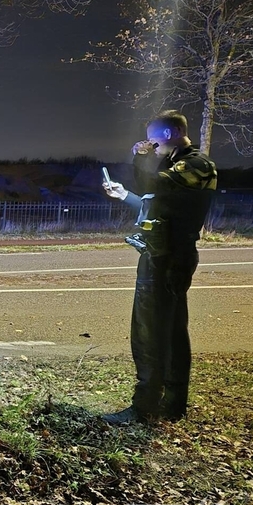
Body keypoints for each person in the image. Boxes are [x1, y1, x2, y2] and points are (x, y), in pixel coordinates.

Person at [101, 110, 217, 424]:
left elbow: (153, 184)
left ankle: (147, 405)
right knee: (167, 329)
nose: (149, 143)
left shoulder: (196, 164)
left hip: (170, 257)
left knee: (151, 332)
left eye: (152, 137)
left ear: (167, 134)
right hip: (161, 253)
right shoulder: (177, 165)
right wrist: (125, 195)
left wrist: (140, 158)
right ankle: (170, 404)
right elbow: (155, 201)